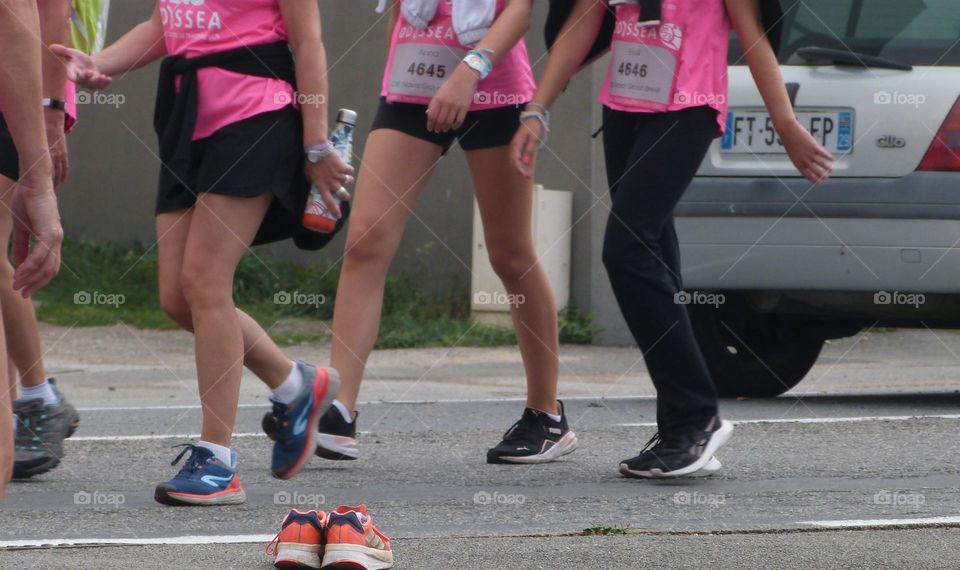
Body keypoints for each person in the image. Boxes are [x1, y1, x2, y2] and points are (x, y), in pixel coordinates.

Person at [512, 0, 834, 478]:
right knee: (655, 256)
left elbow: (752, 34)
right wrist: (537, 108)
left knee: (626, 249)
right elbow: (582, 24)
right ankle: (679, 428)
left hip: (689, 105)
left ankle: (696, 415)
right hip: (623, 106)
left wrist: (784, 124)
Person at [53, 0, 351, 505]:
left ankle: (217, 460)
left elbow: (308, 43)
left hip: (257, 114)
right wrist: (96, 63)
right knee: (177, 297)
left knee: (205, 282)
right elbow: (161, 28)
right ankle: (296, 385)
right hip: (187, 119)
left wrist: (317, 145)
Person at [296, 0, 578, 465]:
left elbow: (519, 11)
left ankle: (546, 415)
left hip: (491, 89)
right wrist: (393, 80)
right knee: (366, 241)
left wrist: (470, 70)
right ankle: (339, 409)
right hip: (411, 85)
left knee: (509, 253)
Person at [2, 0, 81, 481]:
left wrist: (52, 112)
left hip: (23, 93)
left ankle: (36, 397)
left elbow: (49, 15)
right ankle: (33, 399)